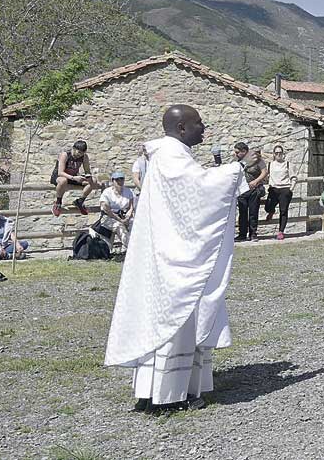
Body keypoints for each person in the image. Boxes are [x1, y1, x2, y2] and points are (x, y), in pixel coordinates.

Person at [105, 104, 247, 412]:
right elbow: (199, 194)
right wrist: (234, 170)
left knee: (171, 322)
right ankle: (168, 396)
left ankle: (159, 392)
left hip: (169, 251)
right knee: (175, 320)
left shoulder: (171, 156)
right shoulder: (170, 156)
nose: (204, 128)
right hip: (174, 261)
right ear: (181, 128)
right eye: (198, 123)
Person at [51, 140, 100, 217]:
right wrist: (74, 178)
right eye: (78, 153)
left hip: (74, 177)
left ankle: (80, 201)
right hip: (60, 177)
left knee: (93, 181)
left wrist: (87, 177)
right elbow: (60, 172)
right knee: (63, 180)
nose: (79, 155)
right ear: (73, 148)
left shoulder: (84, 157)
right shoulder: (65, 155)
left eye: (81, 154)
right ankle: (58, 203)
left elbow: (87, 171)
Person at [233, 142, 267, 242]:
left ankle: (253, 234)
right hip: (241, 191)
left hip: (254, 190)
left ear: (244, 151)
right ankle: (242, 234)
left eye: (237, 152)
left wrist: (256, 181)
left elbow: (264, 172)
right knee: (242, 213)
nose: (235, 154)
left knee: (253, 212)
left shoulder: (256, 158)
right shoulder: (237, 160)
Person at [263, 145, 295, 240]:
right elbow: (265, 176)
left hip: (285, 189)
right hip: (273, 189)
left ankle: (281, 231)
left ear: (283, 154)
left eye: (280, 153)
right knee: (268, 206)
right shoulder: (270, 164)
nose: (278, 155)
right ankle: (271, 211)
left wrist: (291, 189)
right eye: (276, 153)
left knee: (283, 211)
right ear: (273, 154)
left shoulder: (288, 164)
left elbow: (293, 177)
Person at [98, 170, 137, 248]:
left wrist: (127, 217)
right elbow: (106, 209)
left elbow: (131, 207)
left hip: (124, 216)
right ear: (113, 181)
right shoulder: (107, 192)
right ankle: (131, 248)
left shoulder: (128, 191)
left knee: (134, 224)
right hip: (109, 217)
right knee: (119, 226)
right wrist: (120, 220)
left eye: (121, 179)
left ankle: (135, 246)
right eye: (117, 179)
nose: (119, 181)